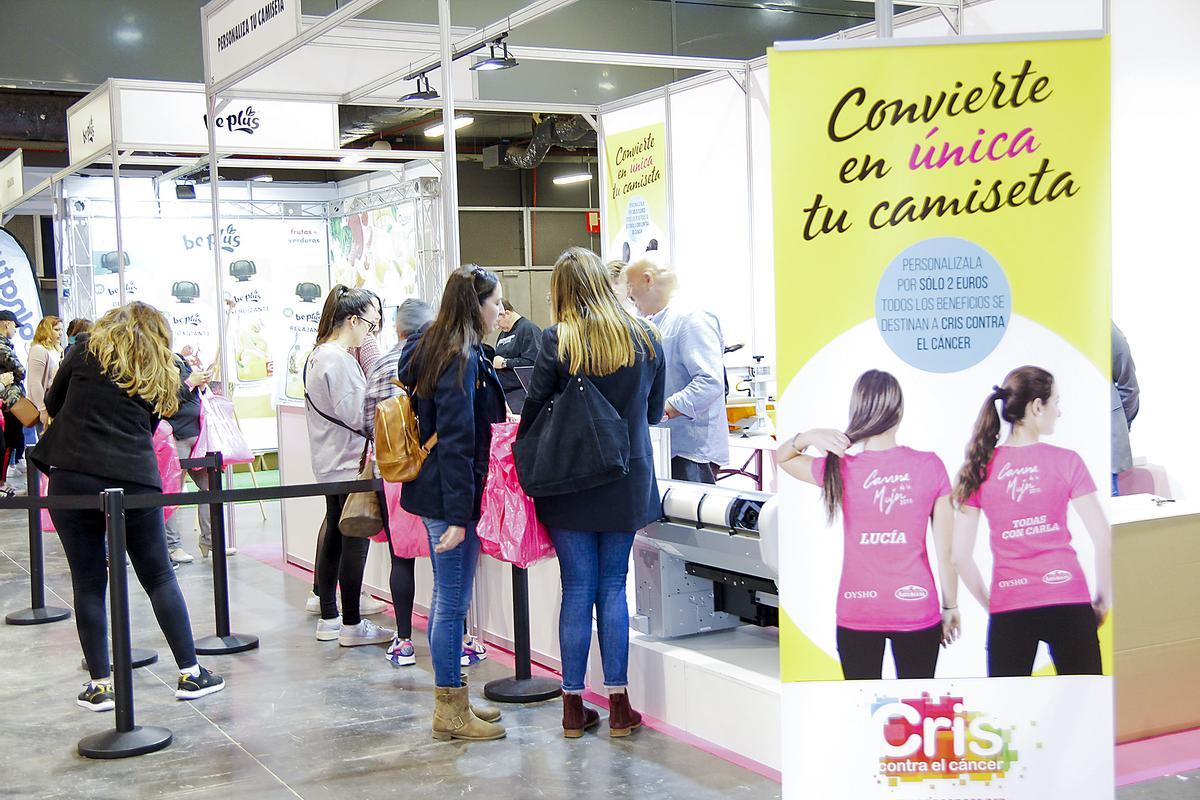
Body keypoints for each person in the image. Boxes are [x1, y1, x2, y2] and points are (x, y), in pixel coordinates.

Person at [28, 302, 225, 711]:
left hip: (72, 472)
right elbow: (153, 424)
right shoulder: (162, 365)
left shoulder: (83, 351)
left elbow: (52, 401)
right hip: (133, 474)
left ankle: (100, 684)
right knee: (158, 575)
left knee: (87, 582)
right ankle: (190, 674)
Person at [519, 247, 664, 738]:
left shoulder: (558, 340)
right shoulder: (645, 337)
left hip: (569, 482)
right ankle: (621, 706)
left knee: (577, 588)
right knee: (612, 586)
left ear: (561, 291)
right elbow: (651, 413)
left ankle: (572, 706)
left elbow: (534, 409)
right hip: (627, 478)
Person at [775, 370, 959, 680]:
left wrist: (806, 437)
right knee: (914, 716)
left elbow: (783, 458)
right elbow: (948, 553)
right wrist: (950, 607)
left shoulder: (840, 467)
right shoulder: (930, 465)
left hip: (857, 609)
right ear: (899, 412)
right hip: (915, 608)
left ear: (857, 411)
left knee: (861, 715)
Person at [398, 265, 507, 742]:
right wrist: (462, 517)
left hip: (440, 490)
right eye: (495, 302)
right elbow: (459, 440)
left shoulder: (434, 348)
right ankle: (449, 707)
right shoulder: (459, 356)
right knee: (450, 603)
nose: (500, 311)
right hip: (450, 495)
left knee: (449, 599)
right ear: (475, 306)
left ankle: (455, 698)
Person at [952, 366, 1111, 678]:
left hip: (1010, 606)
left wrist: (993, 604)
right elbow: (1104, 539)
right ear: (1037, 406)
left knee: (1007, 722)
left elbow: (959, 556)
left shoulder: (980, 467)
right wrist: (1103, 602)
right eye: (1055, 402)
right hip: (1068, 599)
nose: (1059, 412)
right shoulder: (1067, 461)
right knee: (1085, 715)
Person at [304, 285, 394, 647]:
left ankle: (330, 615)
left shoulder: (318, 355)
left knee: (335, 537)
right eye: (371, 325)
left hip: (331, 461)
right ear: (353, 320)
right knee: (353, 539)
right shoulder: (337, 360)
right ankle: (352, 623)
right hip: (348, 463)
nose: (370, 333)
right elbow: (360, 414)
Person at [624, 259, 728, 483]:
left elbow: (710, 382)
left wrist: (665, 408)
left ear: (648, 279)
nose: (632, 301)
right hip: (664, 445)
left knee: (689, 516)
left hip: (691, 450)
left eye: (631, 291)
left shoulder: (692, 318)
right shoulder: (655, 321)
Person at [162, 355, 214, 564]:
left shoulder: (179, 359)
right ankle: (172, 545)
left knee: (210, 488)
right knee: (172, 493)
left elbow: (192, 395)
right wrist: (190, 382)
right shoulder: (157, 362)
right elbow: (164, 401)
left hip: (197, 435)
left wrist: (200, 382)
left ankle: (211, 540)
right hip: (176, 435)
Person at [492, 299, 542, 414]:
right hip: (503, 393)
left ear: (507, 313)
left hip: (520, 394)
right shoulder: (503, 334)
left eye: (497, 321)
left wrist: (505, 362)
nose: (498, 327)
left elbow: (533, 363)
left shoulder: (528, 329)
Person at [0, 309, 28, 496]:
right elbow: (20, 370)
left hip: (10, 400)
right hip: (7, 402)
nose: (15, 330)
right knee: (7, 442)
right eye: (14, 326)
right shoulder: (2, 346)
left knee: (10, 441)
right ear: (6, 324)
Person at [1111, 323, 1140, 496]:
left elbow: (1128, 386)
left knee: (1103, 518)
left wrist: (1120, 424)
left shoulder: (1098, 321)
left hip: (1102, 446)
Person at [27, 315, 64, 430]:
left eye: (61, 330)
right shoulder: (39, 350)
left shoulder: (57, 350)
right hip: (45, 402)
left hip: (55, 401)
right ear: (47, 331)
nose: (61, 333)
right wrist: (42, 409)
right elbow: (35, 382)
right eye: (57, 330)